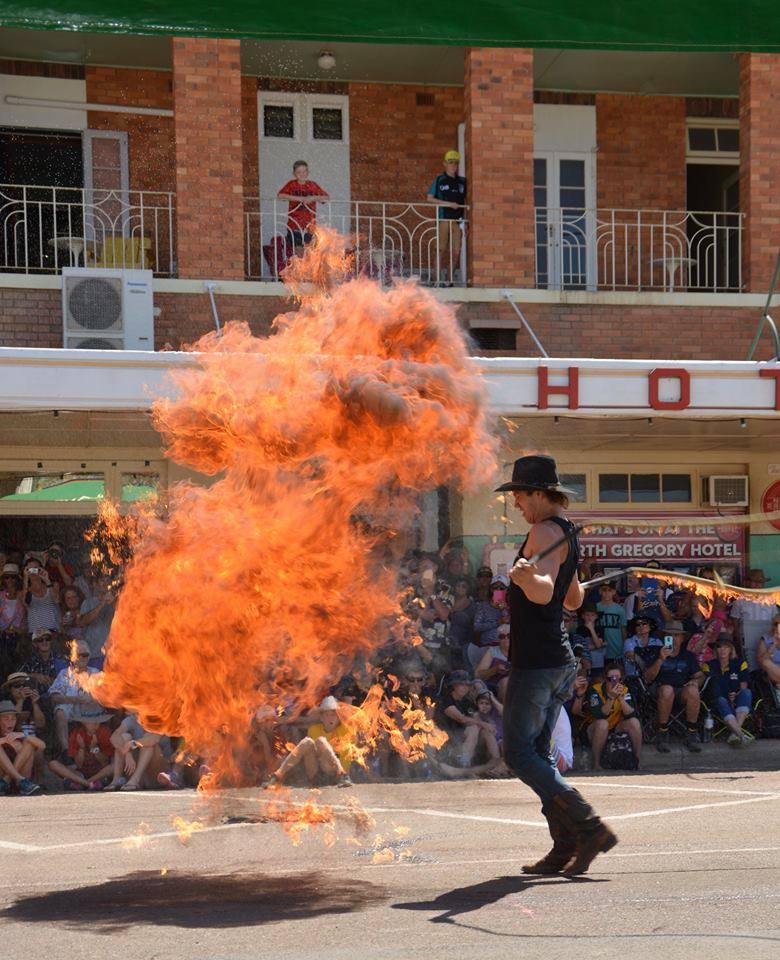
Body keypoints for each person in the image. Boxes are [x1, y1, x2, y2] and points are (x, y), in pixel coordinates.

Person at [496, 454, 616, 876]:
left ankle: (588, 825)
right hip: (558, 660)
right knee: (539, 756)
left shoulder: (543, 530)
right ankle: (565, 845)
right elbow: (574, 598)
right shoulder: (563, 531)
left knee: (519, 753)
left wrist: (530, 577)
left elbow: (547, 593)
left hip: (537, 661)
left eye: (519, 495)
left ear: (539, 494)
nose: (516, 504)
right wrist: (542, 577)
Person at [640, 620, 704, 753]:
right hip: (659, 690)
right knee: (667, 689)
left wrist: (696, 682)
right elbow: (647, 678)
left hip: (681, 690)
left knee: (693, 690)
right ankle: (662, 732)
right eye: (670, 636)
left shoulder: (688, 656)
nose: (673, 639)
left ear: (682, 639)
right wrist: (660, 659)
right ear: (664, 638)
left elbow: (700, 676)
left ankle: (691, 733)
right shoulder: (655, 652)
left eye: (676, 636)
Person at [265, 696, 353, 788]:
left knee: (321, 740)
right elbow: (310, 754)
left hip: (335, 773)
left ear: (338, 717)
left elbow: (347, 755)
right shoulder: (314, 729)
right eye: (326, 715)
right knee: (307, 742)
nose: (330, 718)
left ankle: (343, 776)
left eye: (333, 715)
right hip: (317, 774)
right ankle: (277, 776)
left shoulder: (345, 730)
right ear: (321, 717)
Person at [433, 671, 501, 778]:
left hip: (466, 741)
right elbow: (461, 719)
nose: (465, 687)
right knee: (474, 728)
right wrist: (482, 724)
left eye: (467, 685)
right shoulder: (445, 699)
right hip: (447, 740)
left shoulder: (467, 701)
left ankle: (494, 764)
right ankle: (464, 765)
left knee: (485, 731)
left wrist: (486, 726)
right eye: (461, 684)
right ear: (454, 685)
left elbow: (476, 718)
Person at [574, 665, 641, 770]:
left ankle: (636, 761)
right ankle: (596, 764)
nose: (615, 682)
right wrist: (611, 698)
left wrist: (621, 700)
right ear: (606, 680)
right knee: (602, 723)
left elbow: (632, 714)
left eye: (618, 679)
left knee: (634, 722)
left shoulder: (624, 690)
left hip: (614, 728)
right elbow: (599, 715)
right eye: (611, 679)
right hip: (594, 729)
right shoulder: (595, 690)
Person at [47, 642, 102, 759]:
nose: (82, 657)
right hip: (70, 706)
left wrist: (94, 697)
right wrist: (75, 699)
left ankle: (96, 751)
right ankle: (66, 752)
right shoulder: (65, 674)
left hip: (92, 708)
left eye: (85, 654)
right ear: (72, 656)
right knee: (60, 712)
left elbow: (107, 694)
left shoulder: (96, 672)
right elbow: (54, 697)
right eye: (79, 654)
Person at [702, 636, 753, 747]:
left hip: (737, 700)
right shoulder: (708, 665)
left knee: (747, 692)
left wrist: (736, 694)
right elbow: (710, 687)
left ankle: (735, 733)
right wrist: (725, 696)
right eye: (719, 647)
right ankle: (741, 735)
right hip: (717, 699)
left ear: (731, 649)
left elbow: (743, 685)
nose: (723, 650)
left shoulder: (740, 663)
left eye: (726, 647)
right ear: (715, 650)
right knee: (721, 700)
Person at [48, 708, 115, 790]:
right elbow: (78, 765)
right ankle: (87, 784)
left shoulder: (105, 732)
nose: (96, 724)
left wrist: (94, 748)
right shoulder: (76, 733)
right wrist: (82, 748)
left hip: (100, 771)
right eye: (92, 722)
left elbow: (105, 762)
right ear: (84, 723)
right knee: (53, 764)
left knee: (114, 766)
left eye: (98, 721)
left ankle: (84, 783)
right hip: (81, 772)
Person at [426, 149, 467, 285]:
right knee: (441, 249)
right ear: (445, 164)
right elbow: (429, 198)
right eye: (450, 163)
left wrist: (466, 222)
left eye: (456, 163)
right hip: (444, 218)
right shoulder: (440, 179)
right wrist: (448, 204)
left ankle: (449, 280)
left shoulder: (462, 182)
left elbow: (467, 202)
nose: (453, 166)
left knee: (456, 251)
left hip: (458, 221)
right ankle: (437, 278)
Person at [277, 161, 330, 256]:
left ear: (308, 172)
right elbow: (280, 195)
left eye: (304, 171)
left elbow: (326, 198)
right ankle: (299, 270)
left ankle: (307, 271)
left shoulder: (312, 185)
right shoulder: (291, 184)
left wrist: (313, 198)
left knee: (310, 254)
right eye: (299, 172)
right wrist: (300, 199)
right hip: (294, 224)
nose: (302, 174)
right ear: (294, 174)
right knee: (299, 253)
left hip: (309, 225)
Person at [107, 714, 168, 791]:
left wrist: (133, 743)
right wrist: (127, 753)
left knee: (148, 744)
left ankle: (135, 780)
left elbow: (154, 739)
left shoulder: (160, 719)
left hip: (158, 774)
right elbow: (114, 737)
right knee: (124, 737)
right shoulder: (133, 719)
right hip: (138, 770)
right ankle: (116, 780)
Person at [731, 570, 778, 669]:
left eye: (760, 582)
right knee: (751, 666)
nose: (757, 585)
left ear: (763, 584)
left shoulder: (771, 599)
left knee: (768, 665)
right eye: (754, 581)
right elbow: (735, 619)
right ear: (748, 582)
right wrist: (737, 635)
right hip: (747, 638)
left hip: (767, 638)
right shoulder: (740, 600)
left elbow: (775, 619)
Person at [0, 699, 44, 795]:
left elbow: (42, 745)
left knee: (29, 743)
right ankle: (16, 780)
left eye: (13, 718)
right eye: (6, 719)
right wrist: (4, 740)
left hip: (21, 782)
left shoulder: (19, 734)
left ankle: (10, 780)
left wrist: (23, 735)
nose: (10, 722)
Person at [23, 560, 60, 635]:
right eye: (29, 569)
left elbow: (57, 600)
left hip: (53, 630)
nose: (33, 572)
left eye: (36, 569)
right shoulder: (24, 591)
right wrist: (25, 579)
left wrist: (47, 580)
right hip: (35, 634)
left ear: (41, 569)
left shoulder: (53, 585)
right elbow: (25, 602)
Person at [596, 582, 627, 664]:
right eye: (604, 590)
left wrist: (624, 646)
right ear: (600, 591)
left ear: (614, 592)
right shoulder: (595, 607)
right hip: (598, 649)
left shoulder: (620, 609)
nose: (606, 593)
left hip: (616, 648)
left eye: (610, 590)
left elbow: (623, 629)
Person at [756, 613, 780, 702]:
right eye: (776, 624)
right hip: (771, 673)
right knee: (766, 662)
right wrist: (773, 645)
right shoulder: (765, 639)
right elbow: (761, 662)